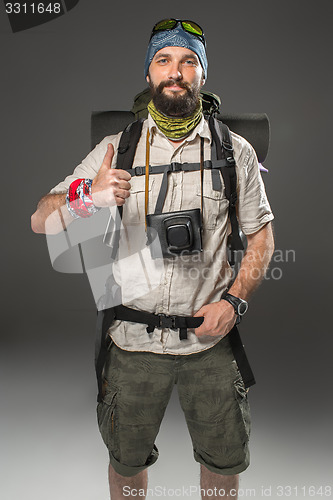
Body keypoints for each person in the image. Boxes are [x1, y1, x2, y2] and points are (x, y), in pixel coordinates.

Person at [31, 19, 274, 500]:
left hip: (209, 341)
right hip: (132, 344)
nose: (175, 71)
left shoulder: (234, 151)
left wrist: (235, 303)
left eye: (188, 61)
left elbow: (263, 237)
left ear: (203, 75)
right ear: (148, 73)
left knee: (224, 466)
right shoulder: (115, 149)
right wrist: (89, 197)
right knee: (125, 465)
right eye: (163, 60)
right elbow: (40, 220)